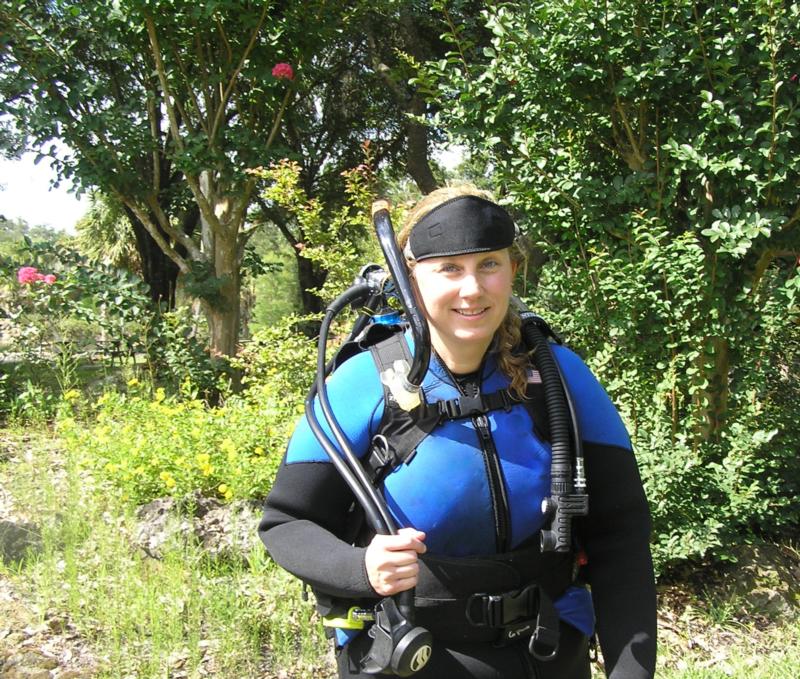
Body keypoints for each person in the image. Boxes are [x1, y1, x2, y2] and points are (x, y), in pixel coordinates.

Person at [259, 185, 657, 679]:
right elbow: (286, 523)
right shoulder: (361, 384)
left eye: (489, 263)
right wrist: (360, 569)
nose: (472, 289)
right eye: (449, 268)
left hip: (547, 652)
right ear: (411, 279)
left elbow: (621, 540)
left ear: (513, 269)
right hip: (410, 655)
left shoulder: (559, 377)